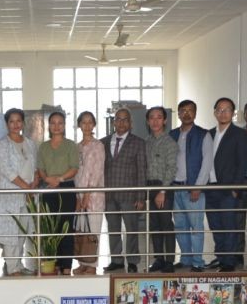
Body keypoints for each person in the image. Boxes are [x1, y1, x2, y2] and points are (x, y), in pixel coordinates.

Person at [203, 97, 247, 271]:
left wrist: (235, 188)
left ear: (233, 113)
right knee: (215, 226)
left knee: (229, 226)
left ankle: (229, 261)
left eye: (227, 109)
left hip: (228, 190)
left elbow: (242, 162)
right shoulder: (208, 134)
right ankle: (220, 256)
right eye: (220, 110)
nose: (223, 113)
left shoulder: (240, 134)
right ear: (215, 112)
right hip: (210, 189)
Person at [0, 109, 39, 275]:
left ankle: (19, 265)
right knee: (10, 231)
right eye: (11, 121)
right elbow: (7, 170)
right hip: (10, 194)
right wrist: (26, 187)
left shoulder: (30, 143)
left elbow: (35, 167)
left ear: (23, 123)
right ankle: (12, 267)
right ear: (7, 124)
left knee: (23, 230)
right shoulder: (2, 145)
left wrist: (34, 182)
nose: (15, 124)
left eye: (18, 121)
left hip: (27, 195)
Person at [102, 107, 147, 273]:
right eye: (118, 119)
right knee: (112, 228)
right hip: (109, 194)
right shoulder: (104, 142)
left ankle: (133, 260)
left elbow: (142, 170)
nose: (121, 122)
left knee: (132, 228)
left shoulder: (138, 143)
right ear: (114, 122)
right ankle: (117, 260)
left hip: (129, 195)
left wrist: (141, 196)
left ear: (131, 123)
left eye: (125, 119)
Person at [37, 111, 81, 274]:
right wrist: (48, 179)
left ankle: (66, 266)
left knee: (66, 228)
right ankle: (53, 264)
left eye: (60, 123)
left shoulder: (71, 145)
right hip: (48, 189)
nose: (56, 126)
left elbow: (74, 167)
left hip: (66, 188)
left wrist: (60, 179)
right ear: (48, 126)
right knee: (50, 228)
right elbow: (40, 169)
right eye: (53, 123)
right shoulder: (43, 146)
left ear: (64, 125)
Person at [168, 100, 208, 271]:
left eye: (190, 110)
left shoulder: (203, 134)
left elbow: (207, 163)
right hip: (175, 188)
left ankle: (198, 262)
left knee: (196, 227)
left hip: (193, 189)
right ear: (178, 114)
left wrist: (198, 187)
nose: (186, 113)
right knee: (180, 226)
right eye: (183, 111)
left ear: (195, 113)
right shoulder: (172, 134)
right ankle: (186, 260)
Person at [145, 106, 177, 272]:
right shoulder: (148, 142)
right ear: (148, 121)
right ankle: (158, 258)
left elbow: (172, 169)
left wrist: (162, 191)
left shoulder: (169, 142)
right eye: (152, 117)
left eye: (159, 117)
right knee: (154, 225)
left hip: (164, 187)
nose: (155, 121)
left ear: (164, 120)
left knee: (166, 224)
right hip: (149, 186)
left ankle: (169, 261)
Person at [74, 111, 105, 274]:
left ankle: (92, 265)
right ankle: (82, 262)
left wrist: (86, 194)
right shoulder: (77, 147)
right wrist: (78, 196)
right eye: (83, 122)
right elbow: (76, 173)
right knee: (81, 230)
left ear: (94, 125)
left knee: (93, 230)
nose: (86, 125)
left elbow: (97, 171)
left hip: (94, 196)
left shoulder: (98, 146)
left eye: (90, 122)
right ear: (79, 124)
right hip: (80, 195)